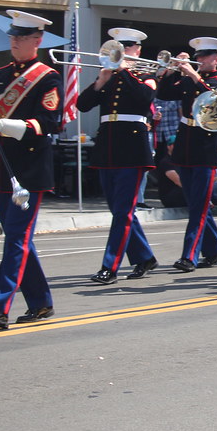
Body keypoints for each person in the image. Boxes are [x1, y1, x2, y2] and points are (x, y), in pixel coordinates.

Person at [0, 10, 62, 329]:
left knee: (16, 240)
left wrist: (4, 125)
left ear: (37, 40)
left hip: (30, 170)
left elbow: (48, 123)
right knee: (17, 238)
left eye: (21, 37)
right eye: (12, 36)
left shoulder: (48, 77)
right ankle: (40, 302)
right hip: (0, 167)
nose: (14, 41)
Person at [77, 27, 159, 284]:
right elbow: (82, 105)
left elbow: (145, 98)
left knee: (123, 211)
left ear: (137, 51)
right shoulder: (109, 76)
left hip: (132, 149)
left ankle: (110, 267)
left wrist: (124, 71)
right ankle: (144, 257)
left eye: (127, 47)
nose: (122, 52)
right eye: (118, 47)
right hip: (108, 147)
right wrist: (100, 81)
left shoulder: (146, 74)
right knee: (119, 210)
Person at [156, 36, 217, 273]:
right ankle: (215, 250)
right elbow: (164, 94)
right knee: (196, 203)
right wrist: (172, 71)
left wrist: (194, 76)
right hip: (185, 145)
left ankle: (189, 256)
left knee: (198, 206)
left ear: (216, 59)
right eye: (197, 57)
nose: (200, 60)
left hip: (206, 148)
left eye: (204, 57)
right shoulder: (189, 79)